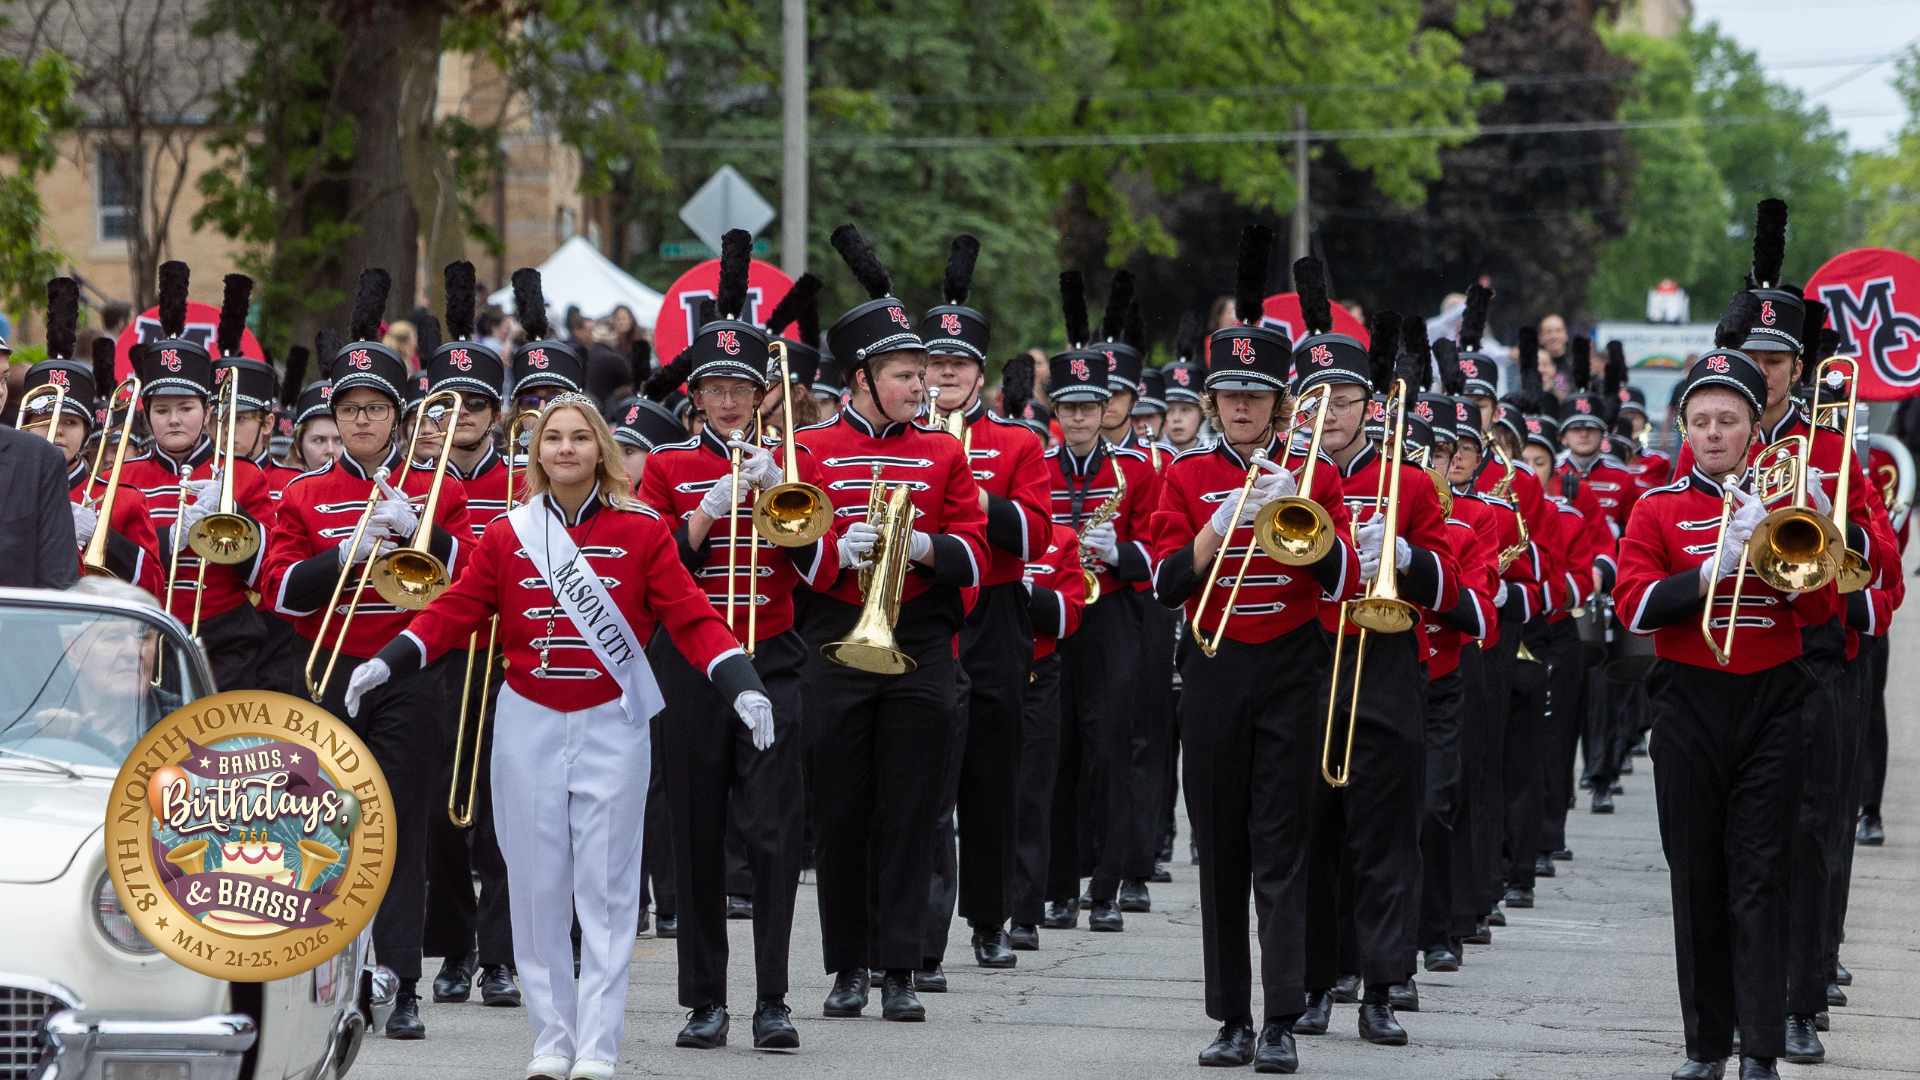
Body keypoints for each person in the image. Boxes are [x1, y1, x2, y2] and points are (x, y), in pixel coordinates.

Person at [345, 394, 771, 1080]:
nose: (566, 449)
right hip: (528, 719)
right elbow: (455, 611)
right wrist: (388, 660)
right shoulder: (509, 534)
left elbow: (692, 618)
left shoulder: (643, 532)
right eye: (553, 439)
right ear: (537, 453)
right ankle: (551, 1038)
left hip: (613, 721)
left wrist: (742, 681)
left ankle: (598, 1043)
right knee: (537, 887)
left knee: (605, 890)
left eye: (579, 438)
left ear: (600, 449)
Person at [1148, 231, 1359, 1071]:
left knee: (1283, 845)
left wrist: (1295, 512)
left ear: (1281, 403)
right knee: (1220, 849)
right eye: (1228, 394)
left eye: (1256, 395)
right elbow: (1164, 582)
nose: (1240, 408)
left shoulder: (1317, 474)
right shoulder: (1182, 475)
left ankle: (1281, 1018)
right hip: (1211, 664)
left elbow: (1344, 576)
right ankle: (1229, 1017)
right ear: (1210, 398)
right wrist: (1215, 528)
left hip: (1293, 667)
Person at [1614, 296, 1838, 1080]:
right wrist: (1713, 566)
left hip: (1773, 699)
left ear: (1753, 429)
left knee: (1760, 877)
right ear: (1684, 429)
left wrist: (1785, 537)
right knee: (1699, 881)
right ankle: (1706, 1047)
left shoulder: (1788, 504)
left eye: (1728, 421)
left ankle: (1762, 1051)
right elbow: (1635, 609)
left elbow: (1821, 605)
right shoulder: (1657, 508)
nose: (1713, 433)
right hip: (1688, 702)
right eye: (1700, 421)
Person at [634, 232, 839, 1050]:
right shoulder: (664, 466)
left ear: (761, 396)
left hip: (776, 660)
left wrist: (778, 504)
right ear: (695, 393)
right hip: (690, 667)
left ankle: (776, 999)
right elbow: (654, 568)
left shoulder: (793, 464)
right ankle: (704, 1001)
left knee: (775, 832)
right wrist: (714, 504)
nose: (726, 401)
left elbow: (825, 570)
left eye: (739, 388)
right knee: (696, 831)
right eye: (713, 387)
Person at [260, 268, 472, 1041]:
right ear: (333, 416)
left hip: (413, 670)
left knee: (403, 823)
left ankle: (404, 980)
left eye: (375, 410)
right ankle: (337, 977)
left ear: (397, 415)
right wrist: (351, 548)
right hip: (330, 671)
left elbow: (474, 579)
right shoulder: (303, 495)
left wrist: (424, 528)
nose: (361, 422)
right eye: (348, 411)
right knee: (333, 826)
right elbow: (282, 592)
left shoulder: (436, 487)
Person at [793, 225, 988, 1023]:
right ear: (863, 377)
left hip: (919, 642)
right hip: (837, 640)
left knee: (913, 808)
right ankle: (847, 966)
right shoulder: (810, 448)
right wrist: (837, 550)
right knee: (841, 808)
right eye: (907, 374)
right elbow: (789, 560)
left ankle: (902, 965)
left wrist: (927, 545)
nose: (923, 386)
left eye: (922, 374)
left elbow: (977, 554)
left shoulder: (944, 454)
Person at [1295, 272, 1457, 1046]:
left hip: (1388, 661)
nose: (1329, 415)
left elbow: (1461, 592)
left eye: (1345, 399)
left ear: (1371, 405)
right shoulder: (1285, 479)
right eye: (1314, 399)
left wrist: (1405, 557)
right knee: (1312, 829)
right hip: (1305, 658)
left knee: (1386, 834)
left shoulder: (1414, 482)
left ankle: (1382, 986)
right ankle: (1317, 981)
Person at [916, 236, 1055, 981]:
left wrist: (967, 489)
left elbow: (1035, 530)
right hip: (925, 607)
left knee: (993, 774)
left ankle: (990, 921)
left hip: (997, 611)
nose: (945, 375)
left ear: (978, 373)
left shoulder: (1017, 441)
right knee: (926, 777)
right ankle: (924, 937)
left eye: (958, 365)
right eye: (934, 365)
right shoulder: (901, 441)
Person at [413, 260, 522, 1012]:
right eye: (446, 405)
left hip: (512, 659)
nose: (461, 418)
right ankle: (453, 948)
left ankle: (501, 957)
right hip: (443, 655)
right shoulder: (410, 486)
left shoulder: (526, 480)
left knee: (508, 811)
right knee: (439, 814)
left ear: (496, 413)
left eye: (475, 405)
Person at [1040, 271, 1160, 935]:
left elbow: (1162, 555)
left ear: (1108, 406)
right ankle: (1060, 887)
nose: (1082, 417)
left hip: (1113, 614)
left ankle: (1107, 887)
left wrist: (1118, 552)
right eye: (1071, 407)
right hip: (1058, 616)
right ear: (1057, 411)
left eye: (1093, 406)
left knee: (1111, 750)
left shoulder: (1137, 471)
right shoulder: (1037, 464)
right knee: (1058, 754)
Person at [118, 265, 273, 689]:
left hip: (226, 642)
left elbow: (267, 578)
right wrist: (174, 536)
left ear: (207, 411)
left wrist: (233, 513)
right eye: (161, 410)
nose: (173, 420)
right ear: (146, 416)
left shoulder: (244, 475)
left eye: (185, 408)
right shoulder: (123, 477)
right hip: (140, 640)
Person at [22, 332, 163, 597]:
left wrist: (104, 538)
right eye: (45, 419)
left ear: (87, 433)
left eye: (70, 422)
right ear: (26, 425)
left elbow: (154, 586)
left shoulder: (124, 500)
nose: (57, 430)